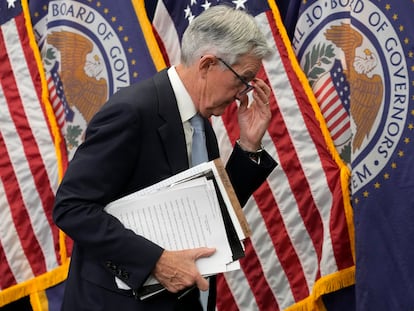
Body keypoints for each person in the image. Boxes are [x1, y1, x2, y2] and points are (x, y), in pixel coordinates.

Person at [53, 4, 277, 311]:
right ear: (208, 64)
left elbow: (208, 214)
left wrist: (249, 147)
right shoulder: (132, 112)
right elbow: (72, 207)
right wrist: (156, 261)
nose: (243, 94)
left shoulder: (200, 124)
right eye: (243, 79)